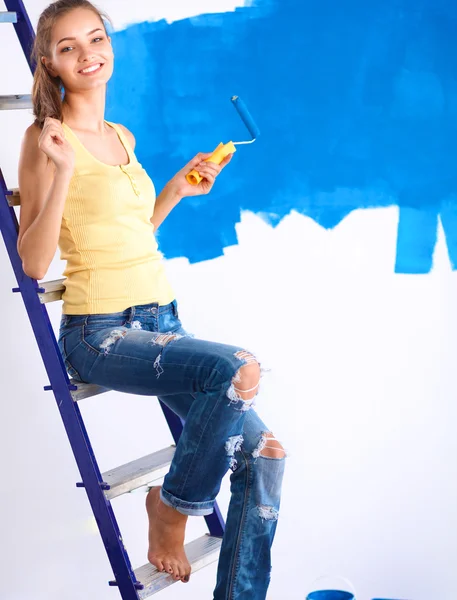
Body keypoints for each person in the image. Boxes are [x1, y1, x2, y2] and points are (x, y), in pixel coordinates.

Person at [17, 1, 286, 598]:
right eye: (68, 47)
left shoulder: (120, 135)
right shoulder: (45, 138)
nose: (88, 54)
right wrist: (61, 172)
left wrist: (173, 193)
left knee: (266, 454)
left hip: (161, 320)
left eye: (95, 39)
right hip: (100, 332)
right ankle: (172, 505)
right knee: (238, 367)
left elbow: (131, 234)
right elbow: (33, 264)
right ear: (50, 63)